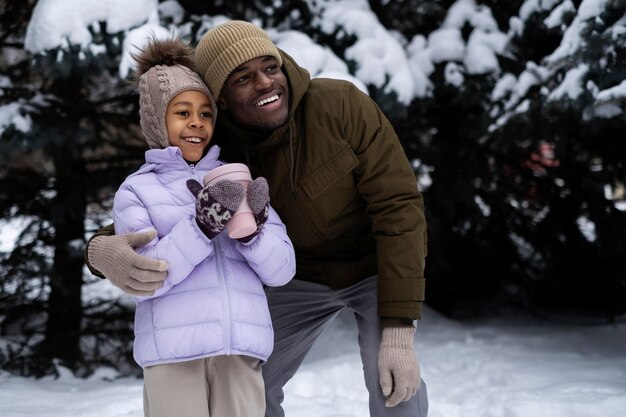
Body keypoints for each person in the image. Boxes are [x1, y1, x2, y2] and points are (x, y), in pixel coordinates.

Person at [86, 21, 428, 417]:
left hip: (372, 267)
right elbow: (165, 203)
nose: (265, 83)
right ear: (223, 100)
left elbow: (399, 206)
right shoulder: (218, 145)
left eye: (271, 66)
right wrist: (98, 250)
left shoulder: (341, 106)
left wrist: (399, 329)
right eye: (244, 78)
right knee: (253, 381)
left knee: (393, 380)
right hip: (299, 276)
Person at [107, 37, 296, 417]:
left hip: (240, 348)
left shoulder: (236, 177)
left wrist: (256, 232)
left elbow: (283, 271)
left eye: (206, 113)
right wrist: (200, 226)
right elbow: (146, 278)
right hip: (173, 354)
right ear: (156, 120)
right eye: (182, 112)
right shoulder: (137, 190)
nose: (196, 122)